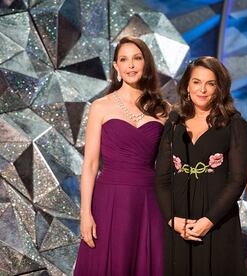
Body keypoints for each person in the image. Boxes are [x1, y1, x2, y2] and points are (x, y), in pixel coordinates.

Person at [74, 36, 169, 275]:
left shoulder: (163, 110)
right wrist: (85, 214)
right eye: (124, 60)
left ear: (146, 63)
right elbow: (90, 164)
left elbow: (169, 164)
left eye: (137, 58)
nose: (131, 65)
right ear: (116, 67)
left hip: (149, 202)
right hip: (109, 201)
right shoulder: (101, 106)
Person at [155, 56, 247, 276]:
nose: (203, 90)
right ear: (187, 86)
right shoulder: (174, 123)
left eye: (210, 83)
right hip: (179, 223)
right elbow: (161, 178)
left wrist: (208, 221)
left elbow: (237, 180)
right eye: (197, 82)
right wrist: (172, 219)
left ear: (220, 88)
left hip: (218, 222)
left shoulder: (235, 124)